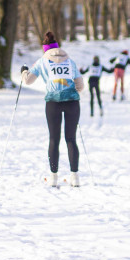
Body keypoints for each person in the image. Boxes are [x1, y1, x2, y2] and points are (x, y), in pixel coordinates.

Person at [20, 31, 84, 187]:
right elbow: (80, 85)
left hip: (53, 103)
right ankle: (74, 177)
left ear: (45, 49)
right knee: (71, 139)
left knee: (54, 139)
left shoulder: (43, 61)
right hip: (72, 102)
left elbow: (28, 81)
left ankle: (53, 177)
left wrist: (23, 71)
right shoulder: (70, 61)